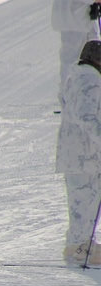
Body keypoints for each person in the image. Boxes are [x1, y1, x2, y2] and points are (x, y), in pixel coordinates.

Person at [56, 40, 101, 265]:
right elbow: (87, 117)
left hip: (76, 152)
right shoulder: (90, 79)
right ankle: (79, 247)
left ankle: (81, 244)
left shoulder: (75, 77)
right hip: (85, 154)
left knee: (82, 199)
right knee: (85, 198)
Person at [52, 1, 101, 106]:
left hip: (84, 16)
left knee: (94, 56)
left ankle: (91, 94)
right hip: (74, 18)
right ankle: (68, 97)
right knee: (72, 59)